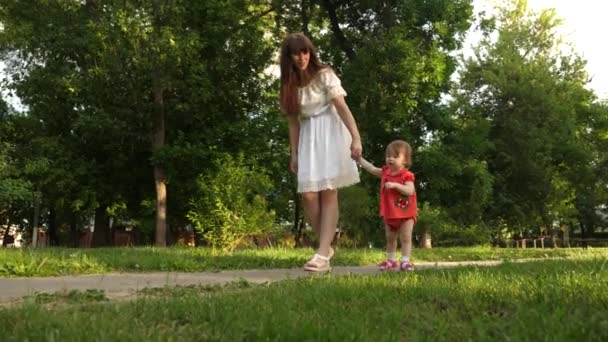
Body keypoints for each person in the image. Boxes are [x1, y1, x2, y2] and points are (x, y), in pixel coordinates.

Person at [279, 33, 362, 272]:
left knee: (328, 192)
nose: (301, 57)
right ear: (289, 57)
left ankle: (322, 254)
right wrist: (293, 153)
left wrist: (355, 138)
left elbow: (342, 107)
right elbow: (293, 123)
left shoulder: (325, 75)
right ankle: (325, 246)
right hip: (309, 138)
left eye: (304, 51)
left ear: (310, 52)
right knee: (308, 195)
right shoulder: (289, 85)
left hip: (331, 132)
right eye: (296, 53)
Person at [358, 140, 417, 271]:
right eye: (388, 155)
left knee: (406, 237)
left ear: (405, 160)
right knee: (390, 238)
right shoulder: (385, 172)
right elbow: (372, 169)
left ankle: (405, 261)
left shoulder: (407, 175)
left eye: (395, 156)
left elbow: (410, 190)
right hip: (390, 212)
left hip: (406, 213)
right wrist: (359, 159)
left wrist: (396, 185)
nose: (390, 158)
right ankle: (391, 261)